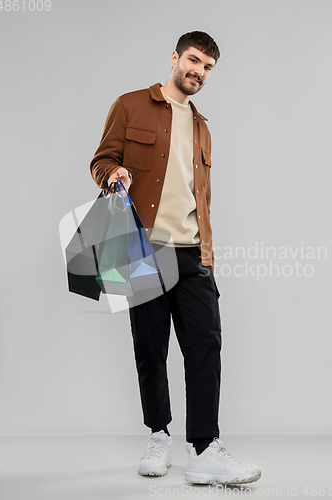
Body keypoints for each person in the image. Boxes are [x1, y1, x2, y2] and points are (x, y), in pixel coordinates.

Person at [90, 31, 261, 485]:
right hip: (139, 247)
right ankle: (158, 435)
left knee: (206, 347)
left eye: (207, 67)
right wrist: (113, 175)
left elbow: (200, 197)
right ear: (174, 57)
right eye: (193, 61)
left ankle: (204, 448)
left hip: (193, 253)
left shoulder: (203, 126)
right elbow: (100, 160)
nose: (198, 72)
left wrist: (207, 255)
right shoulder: (129, 105)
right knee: (150, 348)